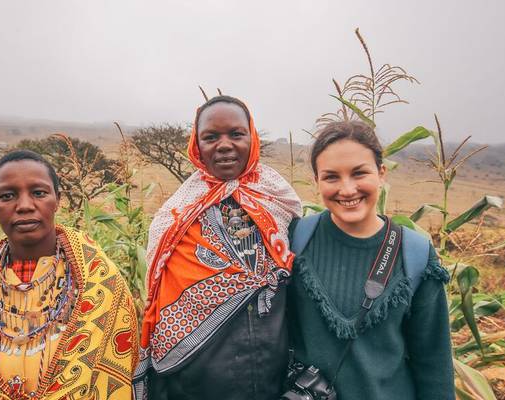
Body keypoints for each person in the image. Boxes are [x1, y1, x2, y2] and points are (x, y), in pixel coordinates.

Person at [133, 96, 303, 399]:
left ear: (252, 138)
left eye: (236, 134)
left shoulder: (279, 201)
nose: (224, 145)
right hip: (194, 376)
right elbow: (158, 299)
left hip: (269, 371)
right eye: (211, 137)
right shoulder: (175, 216)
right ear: (197, 145)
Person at [0, 150, 137, 400]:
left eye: (39, 193)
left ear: (57, 199)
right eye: (7, 196)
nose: (24, 206)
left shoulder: (100, 280)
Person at [286, 121, 455, 400]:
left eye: (359, 173)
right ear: (316, 182)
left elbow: (433, 363)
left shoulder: (414, 254)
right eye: (331, 177)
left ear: (382, 173)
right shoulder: (296, 239)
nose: (347, 189)